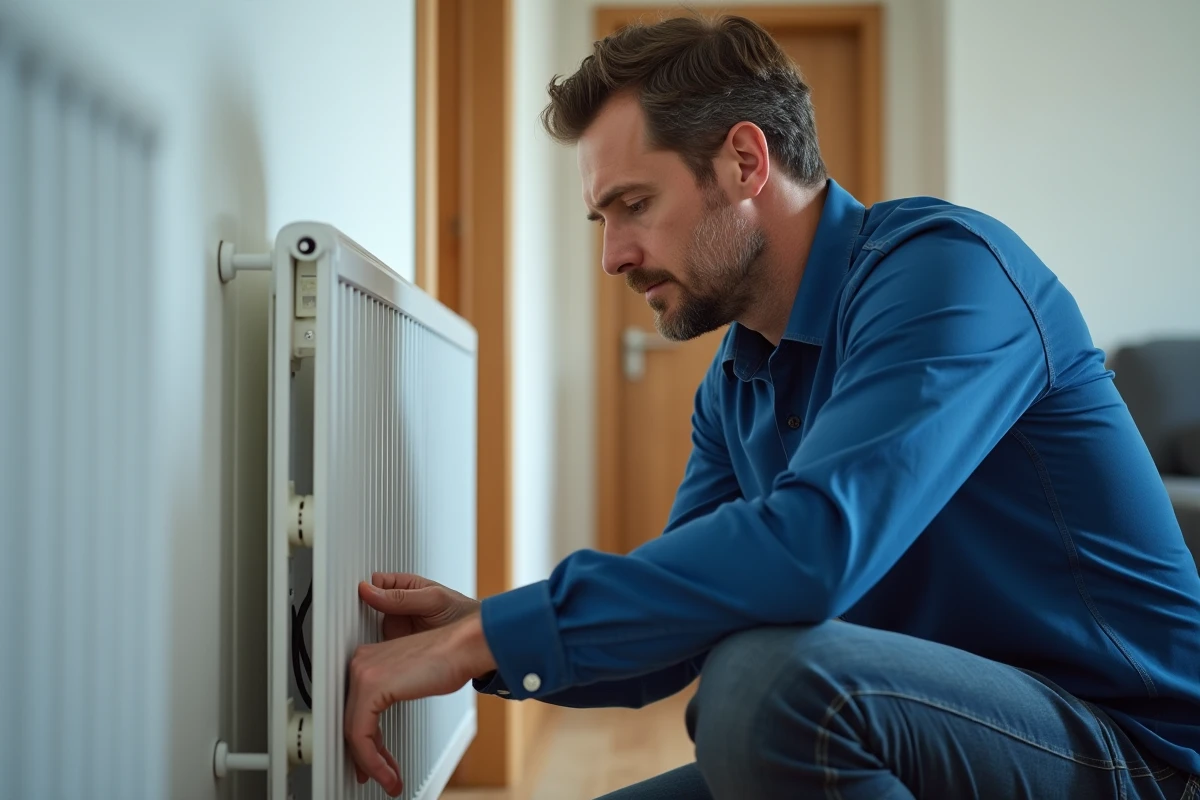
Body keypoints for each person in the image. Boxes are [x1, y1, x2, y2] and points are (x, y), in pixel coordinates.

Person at [343, 13, 1200, 799]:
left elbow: (814, 545)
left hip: (1131, 754)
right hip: (913, 732)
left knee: (767, 680)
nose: (613, 256)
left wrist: (487, 634)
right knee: (758, 683)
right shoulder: (735, 382)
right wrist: (478, 636)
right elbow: (679, 627)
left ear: (746, 162)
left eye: (634, 205)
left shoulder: (950, 273)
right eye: (601, 220)